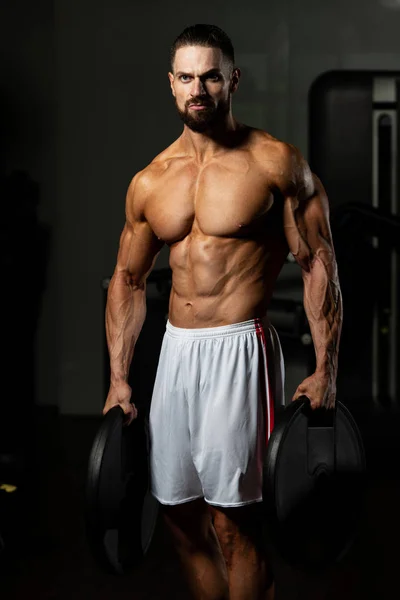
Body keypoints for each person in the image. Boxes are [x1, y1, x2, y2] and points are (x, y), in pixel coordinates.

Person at [103, 23, 342, 600]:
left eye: (210, 75)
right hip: (175, 355)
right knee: (179, 518)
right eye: (186, 77)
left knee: (236, 528)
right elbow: (129, 280)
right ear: (171, 84)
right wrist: (118, 377)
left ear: (232, 79)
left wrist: (326, 367)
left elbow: (319, 266)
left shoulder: (276, 164)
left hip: (240, 349)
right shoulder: (149, 182)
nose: (198, 89)